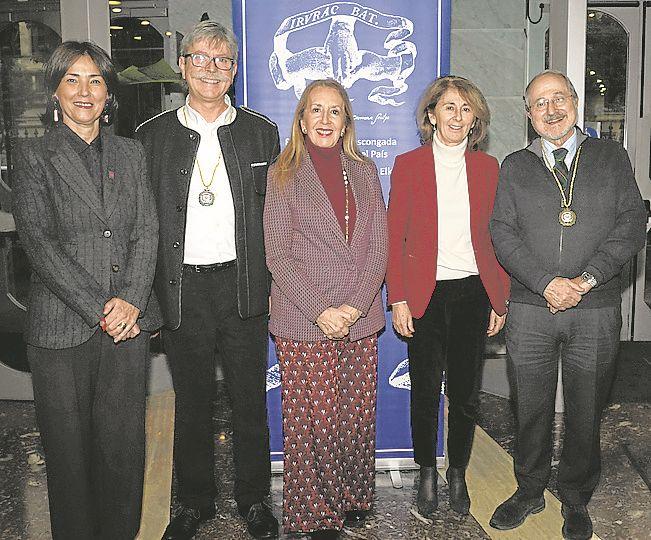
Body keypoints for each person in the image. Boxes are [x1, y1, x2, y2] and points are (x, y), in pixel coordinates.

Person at [135, 21, 279, 540]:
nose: (211, 69)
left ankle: (255, 500)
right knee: (190, 404)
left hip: (243, 288)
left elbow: (276, 219)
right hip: (182, 291)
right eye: (200, 58)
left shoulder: (262, 132)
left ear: (235, 70)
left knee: (249, 402)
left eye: (222, 61)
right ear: (182, 65)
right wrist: (146, 300)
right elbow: (142, 225)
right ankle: (194, 502)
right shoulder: (152, 136)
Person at [11, 41, 160, 539]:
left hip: (128, 326)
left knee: (122, 452)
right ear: (55, 90)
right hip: (62, 330)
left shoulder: (130, 152)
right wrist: (102, 307)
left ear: (107, 93)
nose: (84, 90)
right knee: (69, 459)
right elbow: (40, 244)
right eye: (72, 79)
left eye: (95, 80)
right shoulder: (33, 155)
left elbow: (147, 231)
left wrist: (132, 298)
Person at [489, 70, 646, 540]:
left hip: (595, 307)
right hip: (531, 309)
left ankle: (575, 497)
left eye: (559, 99)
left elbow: (633, 223)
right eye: (540, 103)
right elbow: (502, 232)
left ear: (576, 104)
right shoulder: (515, 165)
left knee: (585, 408)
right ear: (528, 113)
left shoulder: (610, 157)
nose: (551, 109)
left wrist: (585, 279)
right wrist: (545, 283)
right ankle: (530, 490)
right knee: (531, 406)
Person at [264, 79, 387, 540]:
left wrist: (353, 307)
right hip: (303, 317)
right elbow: (277, 253)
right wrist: (322, 311)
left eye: (334, 112)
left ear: (346, 122)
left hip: (360, 315)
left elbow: (379, 244)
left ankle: (352, 497)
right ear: (300, 119)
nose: (324, 120)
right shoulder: (282, 173)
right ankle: (314, 514)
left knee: (354, 414)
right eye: (315, 110)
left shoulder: (366, 170)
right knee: (312, 421)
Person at [385, 75, 510, 517]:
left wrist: (500, 297)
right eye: (449, 107)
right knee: (424, 390)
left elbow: (496, 239)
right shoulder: (409, 165)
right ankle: (425, 472)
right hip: (425, 295)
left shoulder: (488, 169)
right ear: (432, 115)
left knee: (465, 392)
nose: (457, 116)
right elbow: (394, 237)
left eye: (466, 108)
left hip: (474, 291)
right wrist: (397, 297)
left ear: (475, 119)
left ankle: (457, 473)